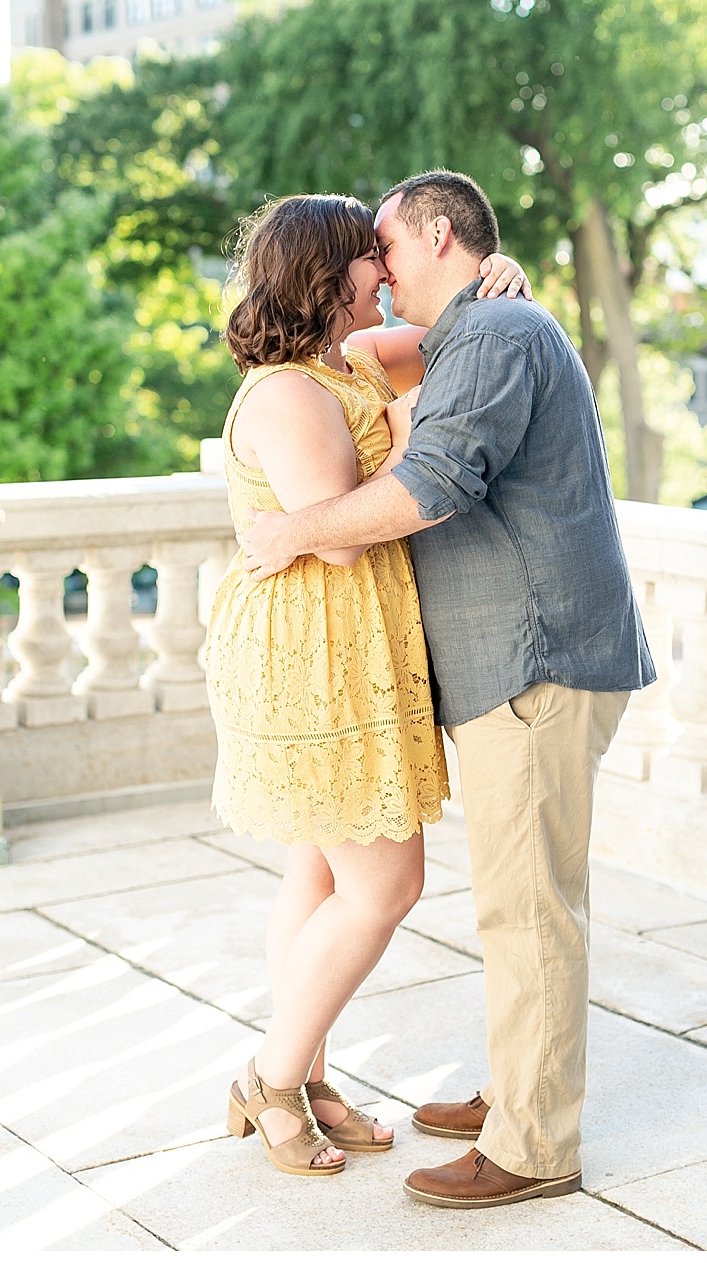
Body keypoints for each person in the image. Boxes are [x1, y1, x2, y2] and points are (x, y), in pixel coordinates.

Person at [241, 168, 654, 1209]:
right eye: (363, 256)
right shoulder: (475, 332)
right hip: (500, 662)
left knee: (526, 913)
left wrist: (290, 531)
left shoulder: (498, 336)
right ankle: (516, 1089)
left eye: (388, 245)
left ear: (434, 234)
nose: (379, 268)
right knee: (510, 902)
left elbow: (434, 483)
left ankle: (529, 1144)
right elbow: (369, 373)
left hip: (534, 659)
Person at [207, 194, 532, 1178]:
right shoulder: (286, 396)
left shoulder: (339, 362)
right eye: (365, 260)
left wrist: (497, 281)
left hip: (349, 650)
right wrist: (399, 431)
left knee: (318, 869)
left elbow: (443, 339)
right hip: (314, 652)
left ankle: (304, 1076)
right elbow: (340, 544)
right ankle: (266, 1078)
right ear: (325, 274)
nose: (381, 273)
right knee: (384, 883)